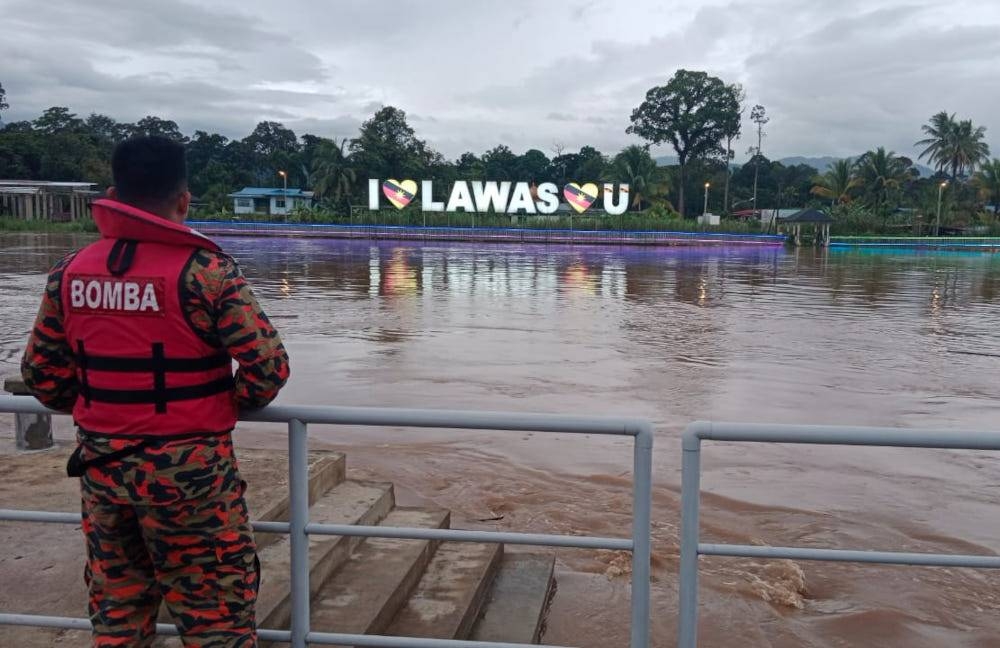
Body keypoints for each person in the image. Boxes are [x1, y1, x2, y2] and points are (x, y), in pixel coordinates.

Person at [21, 136, 290, 647]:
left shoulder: (69, 273)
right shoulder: (207, 273)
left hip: (102, 470)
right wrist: (216, 405)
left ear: (112, 195)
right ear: (183, 200)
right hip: (194, 477)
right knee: (217, 620)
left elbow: (42, 377)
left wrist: (106, 407)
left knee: (118, 613)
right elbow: (268, 368)